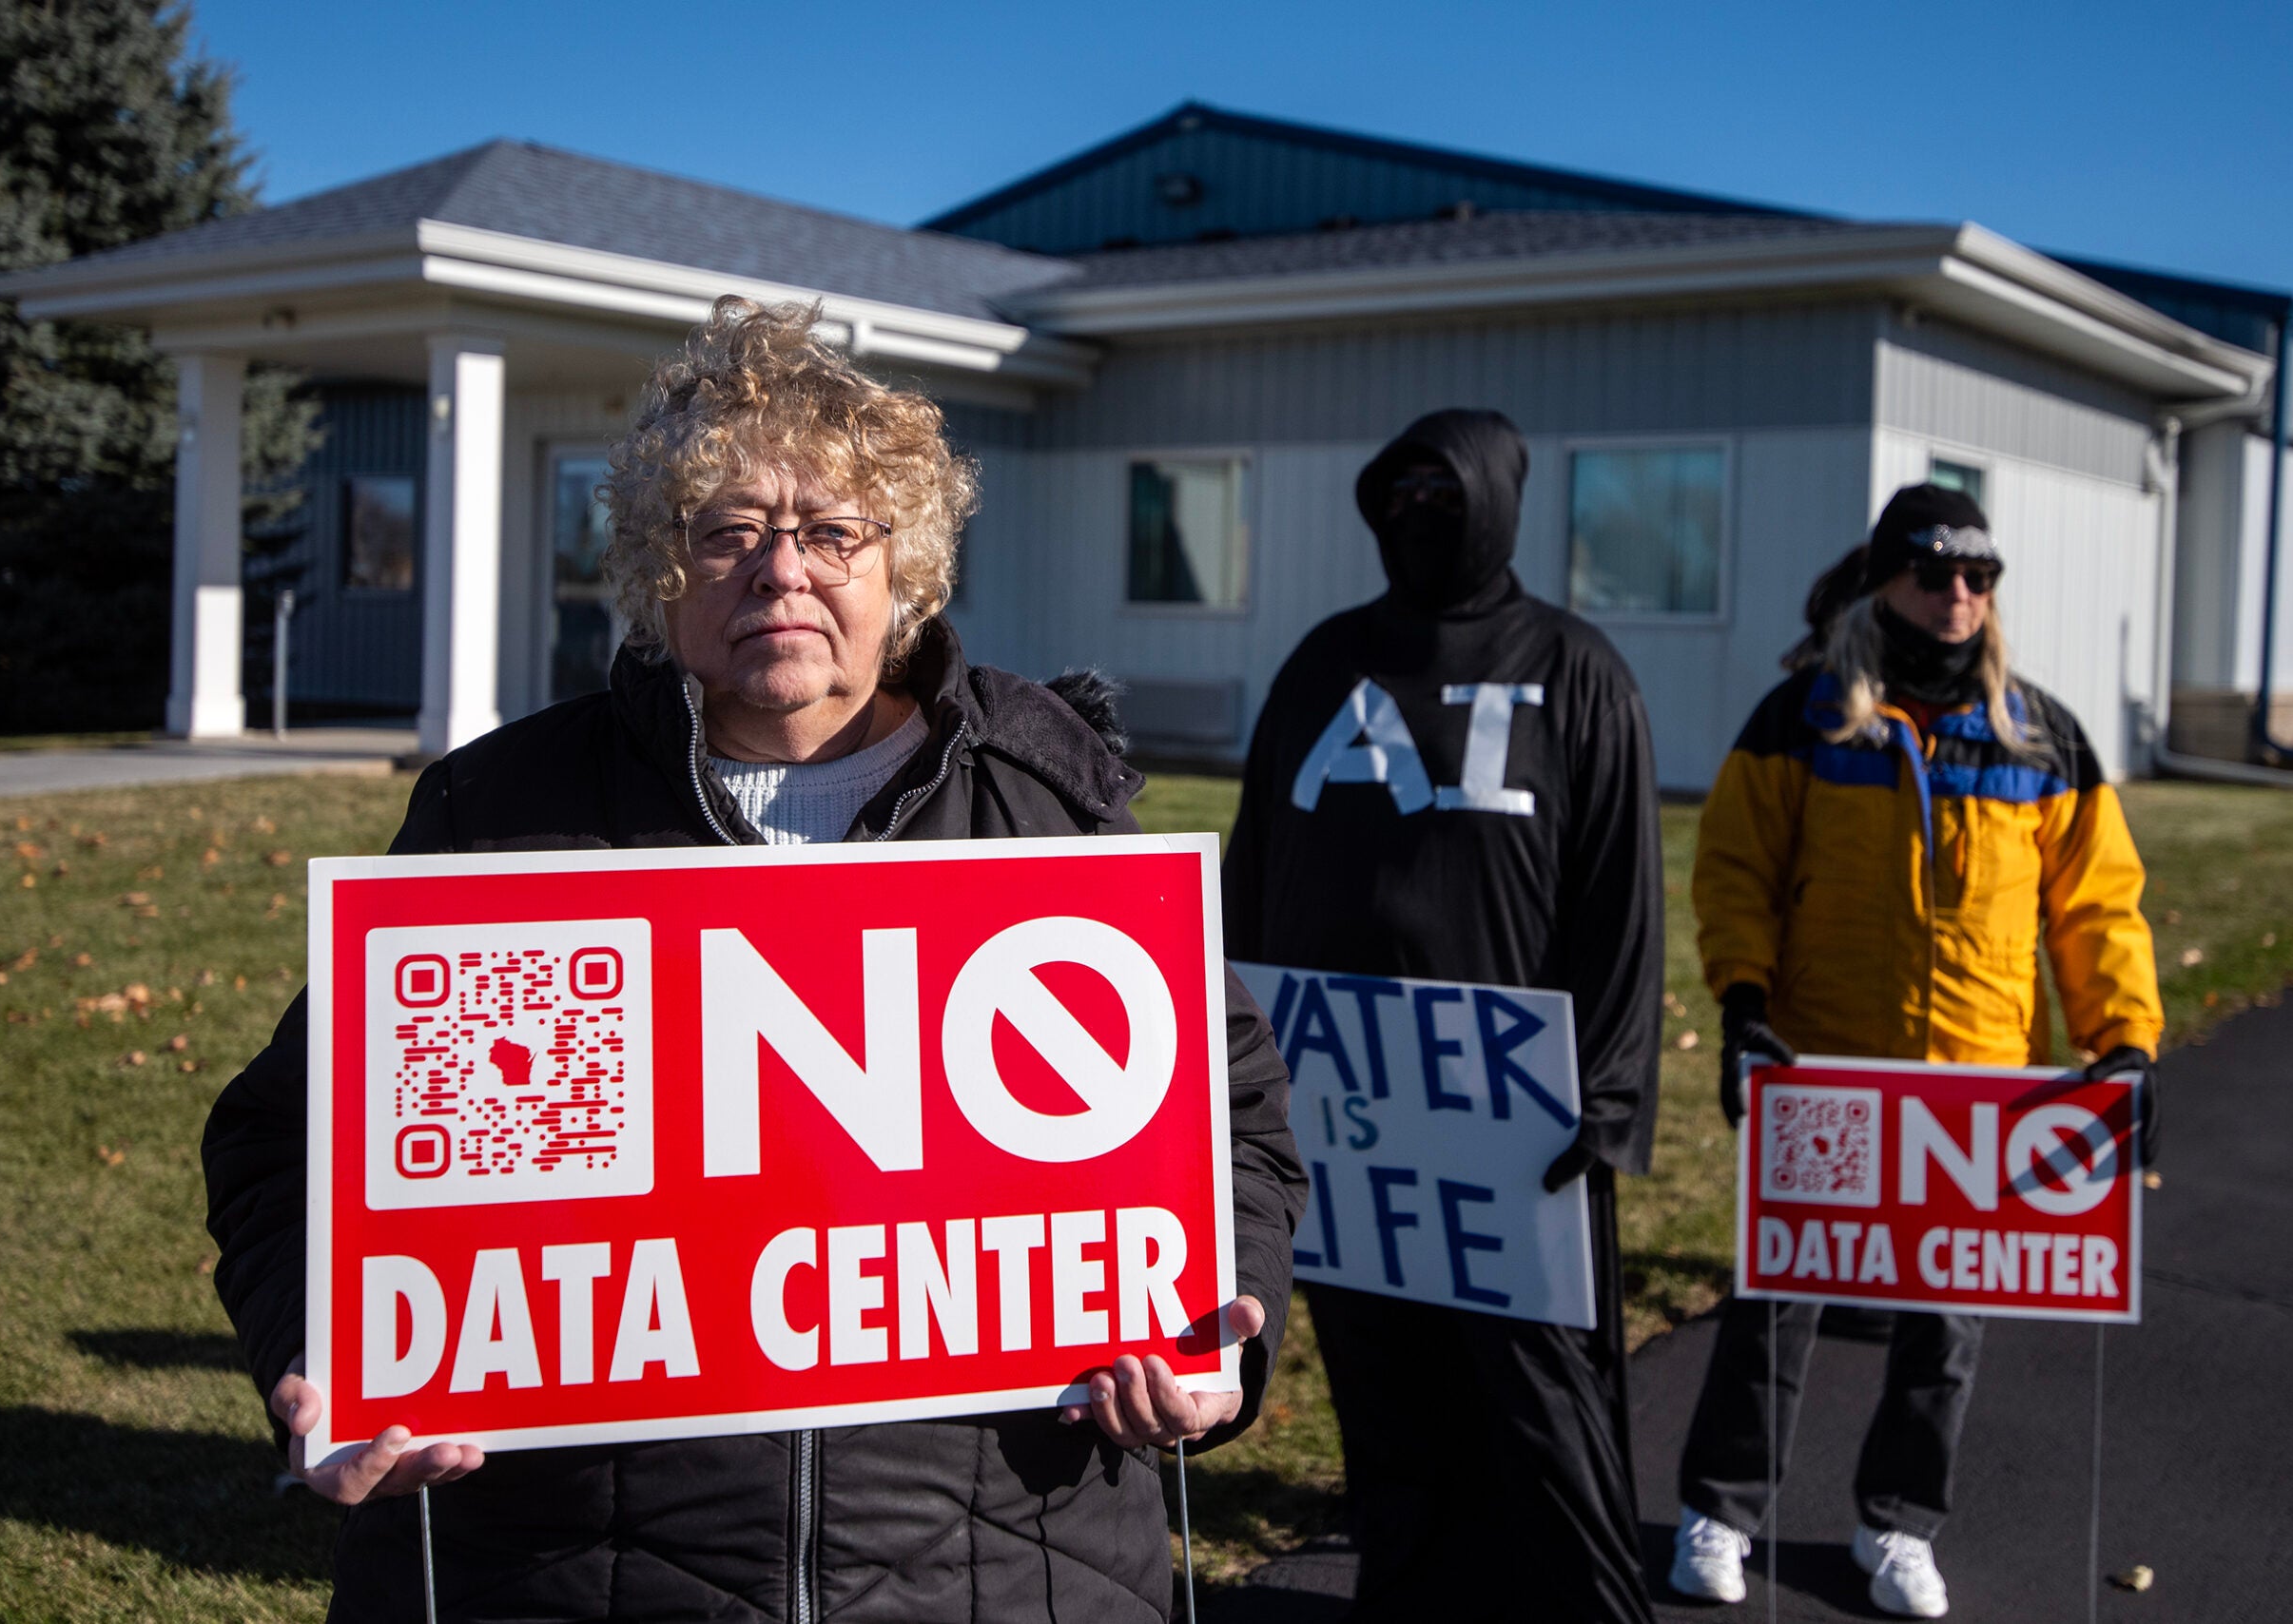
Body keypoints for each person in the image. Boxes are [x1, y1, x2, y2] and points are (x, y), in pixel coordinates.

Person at [201, 297, 1308, 1624]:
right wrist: (323, 1354)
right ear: (657, 570)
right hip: (571, 1574)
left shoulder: (1048, 804)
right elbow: (287, 1143)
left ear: (907, 568)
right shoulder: (499, 815)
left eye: (833, 531)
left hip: (1001, 1569)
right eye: (728, 532)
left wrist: (1211, 1327)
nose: (782, 570)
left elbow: (1228, 1120)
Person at [1666, 484, 2163, 1619]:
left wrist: (2122, 1041)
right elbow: (1735, 870)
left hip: (1977, 1090)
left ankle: (1897, 1525)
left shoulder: (2039, 733)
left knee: (1945, 1329)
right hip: (1826, 1073)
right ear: (1884, 578)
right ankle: (1721, 1509)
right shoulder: (1803, 714)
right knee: (1773, 1305)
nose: (1958, 598)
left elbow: (2097, 910)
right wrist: (1741, 1004)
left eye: (1978, 580)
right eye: (1936, 574)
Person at [1223, 409, 1664, 1623]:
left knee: (1541, 1403)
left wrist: (1611, 1094)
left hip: (1511, 1121)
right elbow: (1255, 863)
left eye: (1446, 490)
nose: (1421, 511)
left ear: (1499, 500)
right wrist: (1235, 1061)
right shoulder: (1323, 664)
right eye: (1400, 490)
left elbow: (1622, 891)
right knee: (1384, 1391)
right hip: (1346, 1108)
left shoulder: (1573, 667)